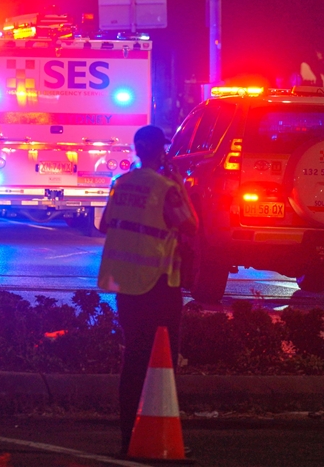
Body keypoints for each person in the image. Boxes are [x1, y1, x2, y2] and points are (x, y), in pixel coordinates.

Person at [96, 125, 199, 455]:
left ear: (137, 149)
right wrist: (181, 185)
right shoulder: (167, 188)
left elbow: (104, 224)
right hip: (159, 283)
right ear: (161, 151)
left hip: (126, 283)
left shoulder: (120, 183)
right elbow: (191, 225)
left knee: (133, 358)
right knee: (162, 361)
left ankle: (129, 435)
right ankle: (157, 431)